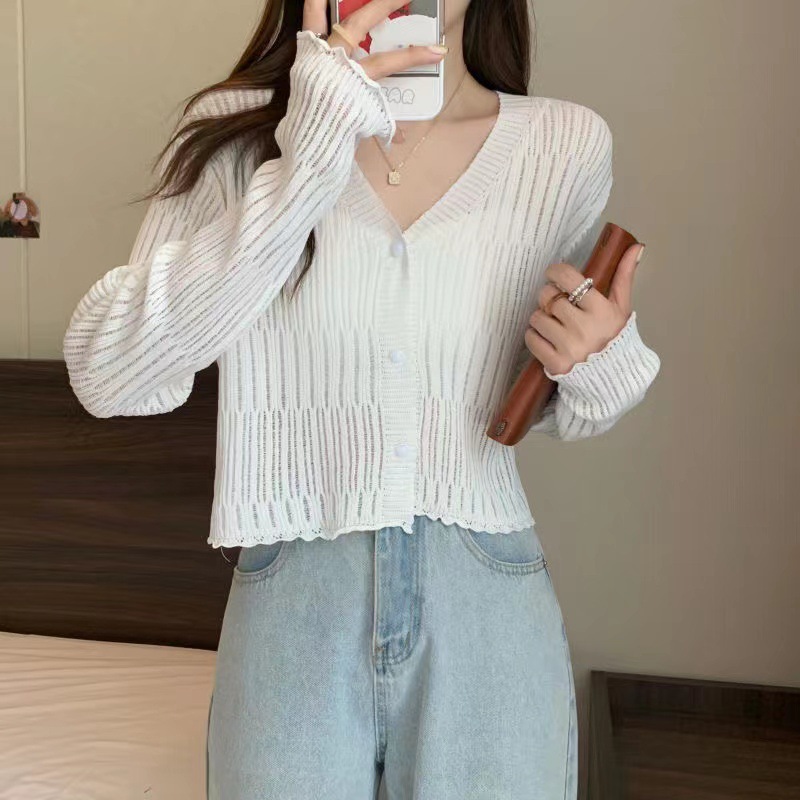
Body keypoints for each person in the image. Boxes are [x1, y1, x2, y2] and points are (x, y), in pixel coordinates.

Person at [62, 0, 661, 797]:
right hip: (292, 594)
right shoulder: (237, 134)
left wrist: (600, 357)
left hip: (485, 597)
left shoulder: (563, 143)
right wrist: (308, 158)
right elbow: (110, 374)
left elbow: (561, 399)